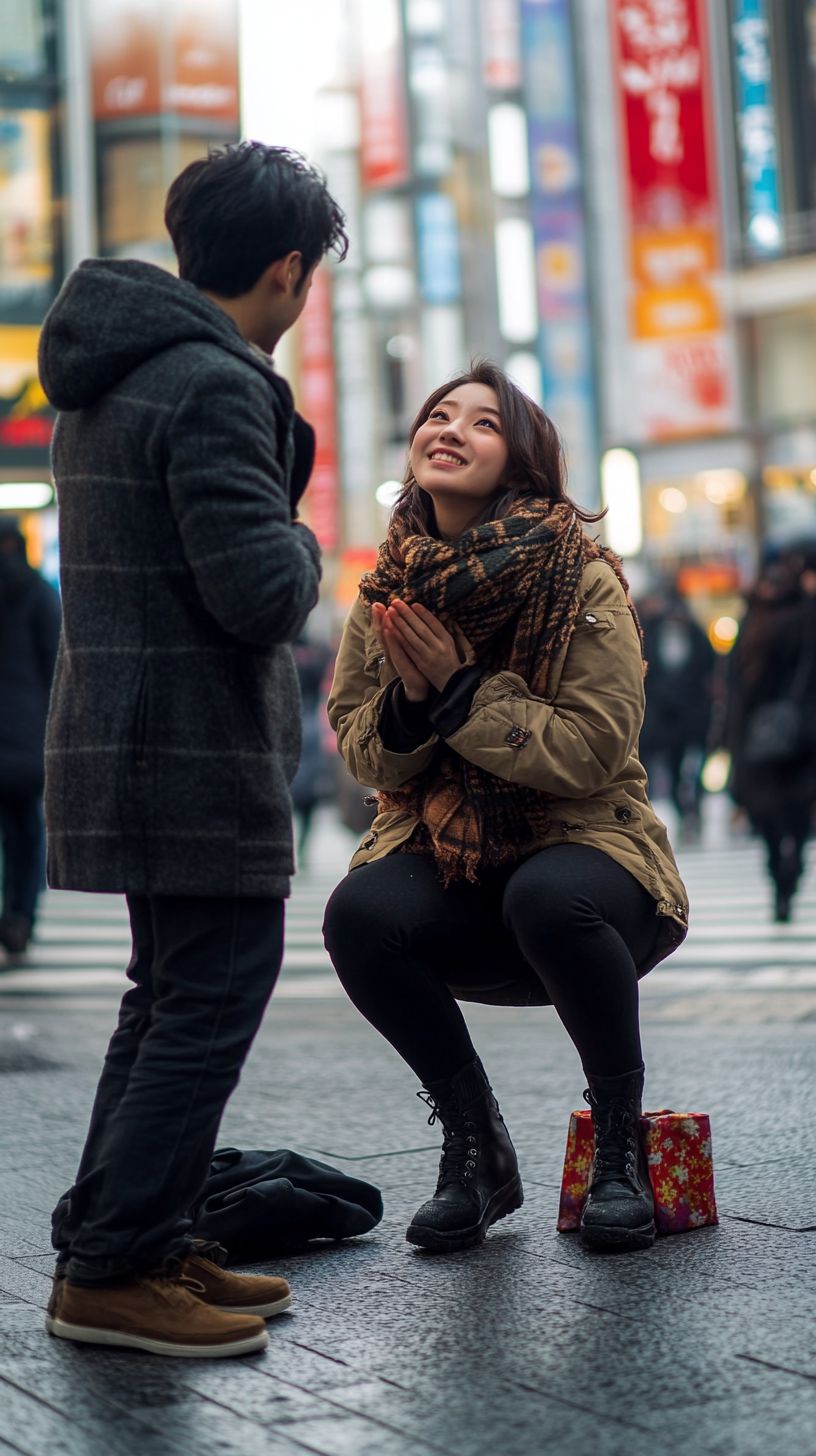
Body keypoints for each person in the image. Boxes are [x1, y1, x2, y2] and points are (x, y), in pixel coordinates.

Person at [37, 142, 347, 1358]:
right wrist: (310, 537)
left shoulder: (114, 367)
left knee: (165, 1001)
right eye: (309, 272)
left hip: (127, 735)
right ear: (285, 269)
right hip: (192, 745)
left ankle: (127, 1241)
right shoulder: (216, 384)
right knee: (207, 1002)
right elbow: (258, 589)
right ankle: (116, 1268)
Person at [323, 363, 688, 1256]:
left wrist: (458, 691)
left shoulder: (583, 579)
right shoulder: (390, 589)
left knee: (548, 894)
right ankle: (477, 1146)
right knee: (359, 914)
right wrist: (411, 705)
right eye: (438, 415)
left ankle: (618, 1146)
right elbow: (360, 747)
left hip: (590, 860)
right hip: (453, 861)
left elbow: (594, 750)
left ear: (520, 463)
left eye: (481, 423)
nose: (449, 429)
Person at [725, 544, 816, 922]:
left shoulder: (797, 616)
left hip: (779, 732)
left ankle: (784, 870)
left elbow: (734, 683)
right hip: (776, 732)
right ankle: (785, 868)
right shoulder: (759, 617)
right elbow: (733, 681)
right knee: (779, 813)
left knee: (780, 812)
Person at [0, 518, 61, 958]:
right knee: (26, 833)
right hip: (26, 740)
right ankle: (20, 916)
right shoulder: (39, 595)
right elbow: (58, 666)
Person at [637, 582, 716, 841]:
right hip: (666, 718)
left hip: (693, 716)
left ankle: (694, 810)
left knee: (694, 769)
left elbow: (709, 668)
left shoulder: (696, 635)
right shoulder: (655, 634)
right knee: (671, 769)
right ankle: (685, 813)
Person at [290, 635, 334, 866]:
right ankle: (303, 847)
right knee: (308, 800)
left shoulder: (288, 659)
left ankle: (297, 846)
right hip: (310, 723)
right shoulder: (315, 659)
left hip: (292, 722)